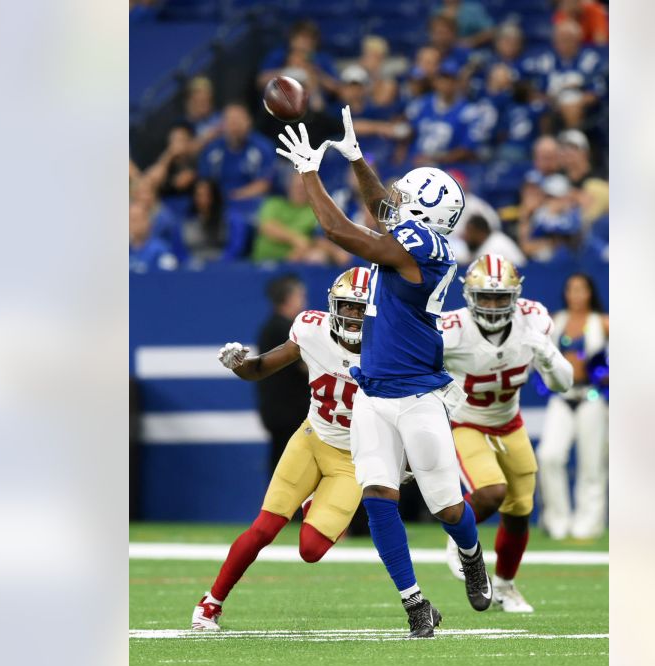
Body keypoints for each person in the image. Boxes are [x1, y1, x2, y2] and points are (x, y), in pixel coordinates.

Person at [274, 107, 492, 638]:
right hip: (373, 391)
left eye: (406, 197)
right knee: (378, 496)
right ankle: (416, 603)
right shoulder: (415, 239)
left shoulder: (427, 249)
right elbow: (381, 210)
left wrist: (309, 172)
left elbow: (342, 229)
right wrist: (354, 158)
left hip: (419, 393)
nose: (393, 200)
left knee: (444, 505)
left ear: (425, 214)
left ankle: (470, 551)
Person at [193, 268, 371, 630]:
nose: (352, 316)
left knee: (311, 550)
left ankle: (313, 501)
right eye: (346, 307)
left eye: (360, 309)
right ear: (332, 306)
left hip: (353, 458)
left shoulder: (395, 346)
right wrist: (239, 366)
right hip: (311, 438)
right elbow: (261, 369)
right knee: (264, 528)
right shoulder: (311, 329)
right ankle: (210, 603)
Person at [438, 255, 574, 611]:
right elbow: (418, 373)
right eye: (486, 297)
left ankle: (505, 586)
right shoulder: (451, 330)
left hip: (509, 423)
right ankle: (459, 536)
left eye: (501, 298)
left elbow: (563, 384)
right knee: (491, 491)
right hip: (467, 422)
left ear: (515, 296)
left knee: (520, 509)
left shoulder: (533, 320)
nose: (494, 305)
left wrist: (546, 354)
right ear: (469, 296)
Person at [536, 273, 609, 540]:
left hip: (591, 397)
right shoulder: (557, 321)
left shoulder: (602, 323)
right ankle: (558, 519)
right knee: (549, 456)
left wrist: (608, 374)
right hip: (562, 398)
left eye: (582, 289)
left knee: (592, 464)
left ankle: (588, 522)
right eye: (571, 289)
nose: (576, 294)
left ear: (590, 293)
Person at [198, 104, 277, 259]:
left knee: (237, 218)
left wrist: (232, 196)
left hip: (250, 202)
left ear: (248, 122)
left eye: (237, 121)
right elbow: (204, 183)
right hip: (217, 203)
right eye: (229, 121)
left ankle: (229, 260)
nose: (233, 126)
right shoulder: (212, 149)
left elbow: (264, 184)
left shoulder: (263, 147)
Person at [255, 275, 311, 475]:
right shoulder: (286, 330)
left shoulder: (270, 327)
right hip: (289, 413)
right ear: (289, 298)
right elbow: (307, 366)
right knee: (290, 468)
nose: (304, 300)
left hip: (278, 412)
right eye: (301, 295)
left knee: (283, 464)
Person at [404, 60, 478, 167]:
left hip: (449, 168)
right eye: (442, 79)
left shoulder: (468, 111)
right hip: (415, 164)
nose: (446, 84)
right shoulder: (421, 104)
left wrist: (434, 159)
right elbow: (408, 133)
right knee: (393, 181)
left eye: (451, 80)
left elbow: (466, 150)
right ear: (435, 81)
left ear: (458, 83)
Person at [252, 172, 319, 263]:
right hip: (262, 261)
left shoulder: (315, 211)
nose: (301, 190)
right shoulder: (274, 203)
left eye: (305, 187)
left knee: (316, 256)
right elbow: (267, 227)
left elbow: (316, 239)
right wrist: (295, 239)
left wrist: (299, 252)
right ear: (289, 187)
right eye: (298, 186)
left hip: (295, 262)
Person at [454, 215, 527, 266]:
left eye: (469, 232)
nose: (466, 236)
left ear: (480, 233)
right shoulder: (486, 242)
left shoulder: (495, 244)